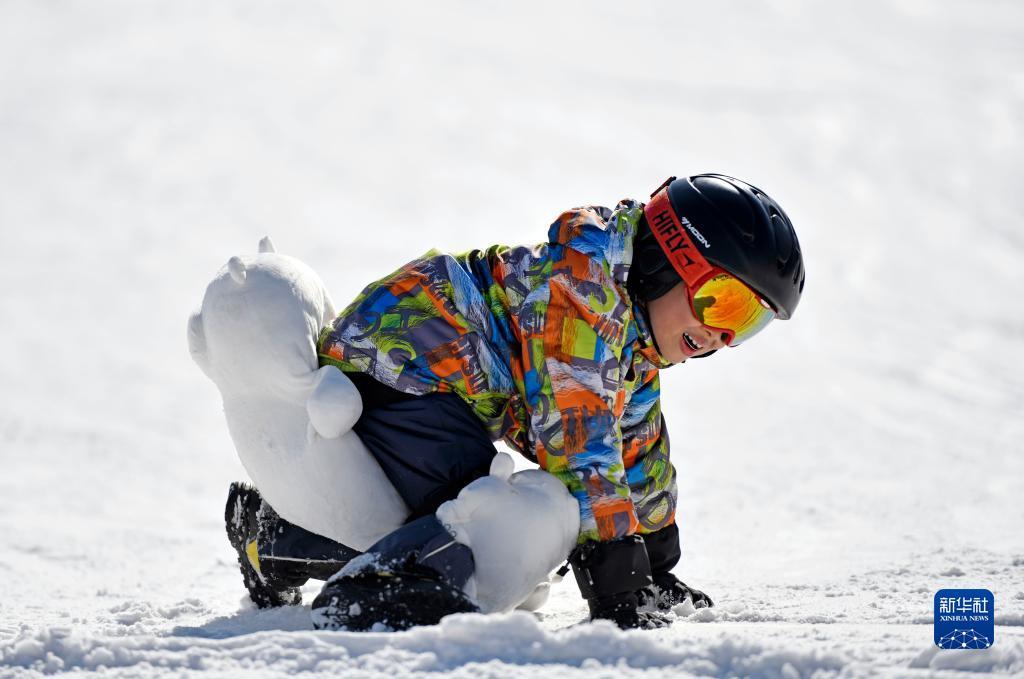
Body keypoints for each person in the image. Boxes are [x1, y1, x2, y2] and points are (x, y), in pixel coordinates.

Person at [223, 173, 805, 630]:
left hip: (438, 397)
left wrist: (652, 566)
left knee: (484, 523)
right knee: (478, 521)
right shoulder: (581, 299)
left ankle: (274, 540)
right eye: (723, 304)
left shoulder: (631, 337)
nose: (723, 337)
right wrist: (616, 587)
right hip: (400, 370)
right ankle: (377, 587)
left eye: (748, 323)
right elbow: (581, 447)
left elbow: (636, 446)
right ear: (669, 257)